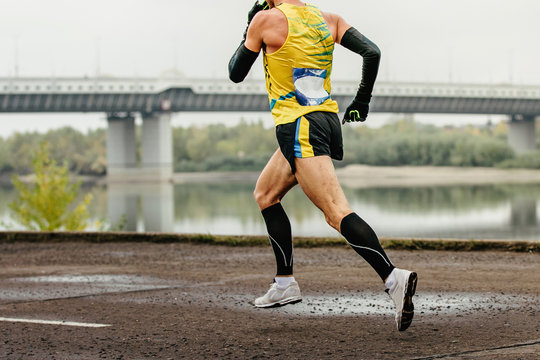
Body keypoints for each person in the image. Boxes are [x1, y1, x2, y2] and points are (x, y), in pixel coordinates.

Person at [228, 0, 418, 331]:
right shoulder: (328, 19)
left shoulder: (265, 20)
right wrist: (362, 101)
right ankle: (285, 283)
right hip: (325, 120)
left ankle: (392, 278)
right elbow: (371, 52)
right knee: (265, 194)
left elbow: (235, 73)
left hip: (299, 126)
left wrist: (249, 27)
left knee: (335, 211)